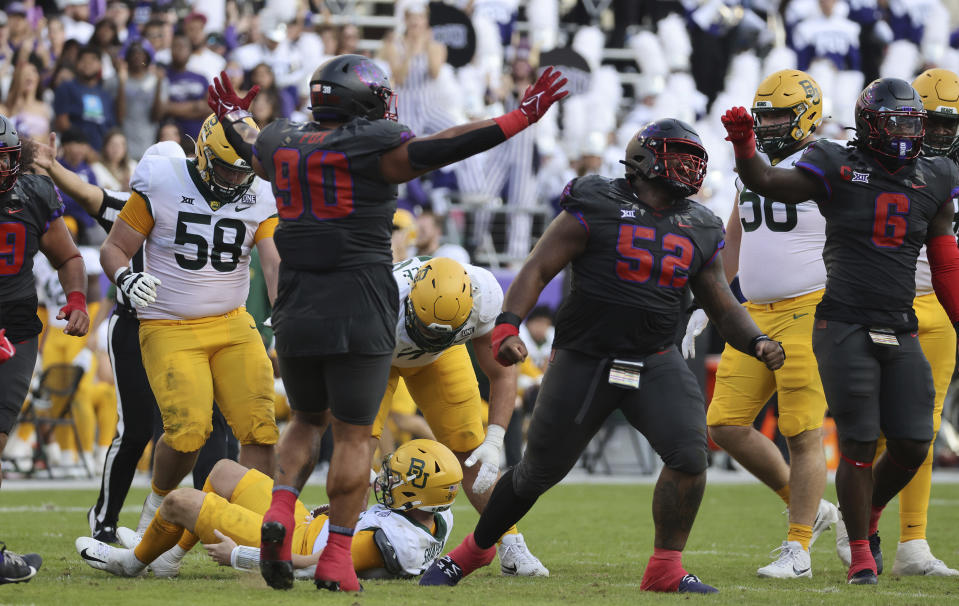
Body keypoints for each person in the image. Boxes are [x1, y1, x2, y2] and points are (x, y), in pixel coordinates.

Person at [205, 54, 567, 592]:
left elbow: (252, 141)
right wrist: (517, 118)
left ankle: (281, 508)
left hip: (298, 305)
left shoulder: (278, 139)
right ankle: (335, 562)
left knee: (305, 422)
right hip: (362, 303)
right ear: (363, 102)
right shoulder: (372, 146)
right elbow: (445, 147)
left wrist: (235, 118)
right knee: (354, 438)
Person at [419, 119, 785, 594]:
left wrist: (755, 340)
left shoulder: (701, 224)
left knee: (691, 456)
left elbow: (719, 299)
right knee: (536, 473)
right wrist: (508, 323)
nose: (691, 165)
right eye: (679, 153)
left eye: (695, 156)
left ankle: (665, 568)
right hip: (585, 358)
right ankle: (477, 549)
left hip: (655, 358)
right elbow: (539, 265)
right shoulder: (596, 201)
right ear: (643, 158)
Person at [719, 77, 959, 585]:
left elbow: (943, 263)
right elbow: (758, 194)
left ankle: (847, 527)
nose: (912, 134)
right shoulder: (835, 162)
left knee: (912, 439)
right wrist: (722, 299)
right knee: (837, 437)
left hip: (876, 316)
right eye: (902, 123)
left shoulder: (934, 174)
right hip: (826, 315)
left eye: (920, 124)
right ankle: (845, 541)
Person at [28, 136, 240, 544]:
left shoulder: (203, 208)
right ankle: (105, 518)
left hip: (187, 327)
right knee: (137, 430)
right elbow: (90, 195)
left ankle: (208, 520)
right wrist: (53, 168)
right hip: (136, 325)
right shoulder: (132, 206)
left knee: (203, 426)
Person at [98, 112, 281, 540]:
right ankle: (156, 509)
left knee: (261, 428)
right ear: (201, 155)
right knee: (187, 434)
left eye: (243, 171)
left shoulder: (261, 194)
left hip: (234, 322)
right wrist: (126, 277)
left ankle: (253, 530)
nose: (235, 181)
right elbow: (115, 249)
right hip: (169, 323)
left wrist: (285, 312)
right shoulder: (163, 180)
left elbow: (274, 264)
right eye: (225, 168)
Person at [690, 69, 840, 578]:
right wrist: (708, 304)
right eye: (765, 116)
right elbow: (736, 237)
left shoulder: (829, 161)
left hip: (810, 307)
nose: (770, 125)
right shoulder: (749, 165)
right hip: (753, 315)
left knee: (801, 432)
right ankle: (814, 511)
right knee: (725, 424)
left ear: (808, 116)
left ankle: (798, 549)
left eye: (780, 115)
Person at [376, 255, 548, 576]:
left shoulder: (485, 296)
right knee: (358, 442)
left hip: (440, 358)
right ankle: (345, 539)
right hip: (377, 355)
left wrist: (495, 439)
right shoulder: (378, 303)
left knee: (470, 449)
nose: (432, 338)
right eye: (428, 330)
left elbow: (503, 372)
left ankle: (510, 543)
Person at [75, 439, 462, 580]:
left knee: (179, 501)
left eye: (396, 482)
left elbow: (316, 566)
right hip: (310, 525)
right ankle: (168, 559)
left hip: (293, 541)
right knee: (223, 471)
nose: (385, 483)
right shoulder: (436, 514)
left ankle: (133, 562)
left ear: (416, 498)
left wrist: (242, 555)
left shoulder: (392, 542)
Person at [856, 68, 959, 577]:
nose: (939, 133)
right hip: (881, 302)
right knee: (872, 428)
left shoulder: (947, 172)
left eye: (949, 124)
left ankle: (912, 542)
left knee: (924, 426)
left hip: (938, 307)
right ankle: (863, 531)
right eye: (931, 122)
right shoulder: (877, 160)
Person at [0, 114, 89, 493]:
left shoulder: (33, 193)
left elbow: (68, 258)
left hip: (17, 328)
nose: (1, 167)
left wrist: (78, 299)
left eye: (6, 157)